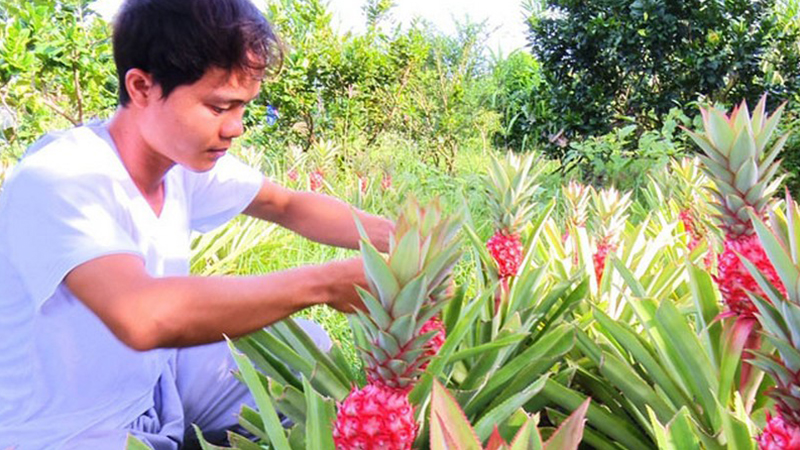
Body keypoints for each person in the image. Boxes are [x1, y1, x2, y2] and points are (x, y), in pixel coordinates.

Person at [0, 0, 392, 448]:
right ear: (142, 86)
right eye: (219, 107)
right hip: (65, 430)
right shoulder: (61, 177)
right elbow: (141, 316)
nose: (236, 128)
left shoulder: (178, 163)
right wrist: (324, 285)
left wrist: (404, 237)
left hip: (151, 388)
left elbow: (286, 205)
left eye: (243, 107)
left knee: (307, 353)